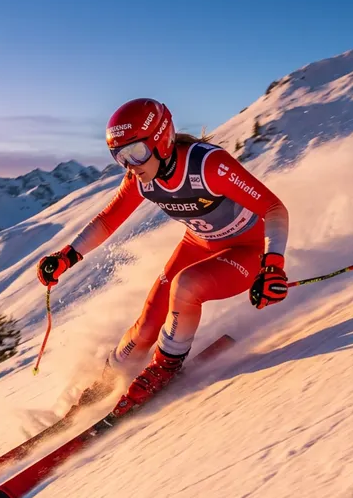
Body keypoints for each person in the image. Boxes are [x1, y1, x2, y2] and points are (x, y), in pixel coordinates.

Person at [36, 98, 290, 417]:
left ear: (162, 140)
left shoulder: (209, 166)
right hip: (199, 244)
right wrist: (68, 256)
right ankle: (108, 378)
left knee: (186, 286)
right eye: (119, 156)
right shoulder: (141, 178)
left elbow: (273, 208)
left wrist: (273, 266)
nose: (130, 164)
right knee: (145, 326)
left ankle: (165, 366)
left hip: (248, 250)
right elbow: (108, 220)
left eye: (136, 152)